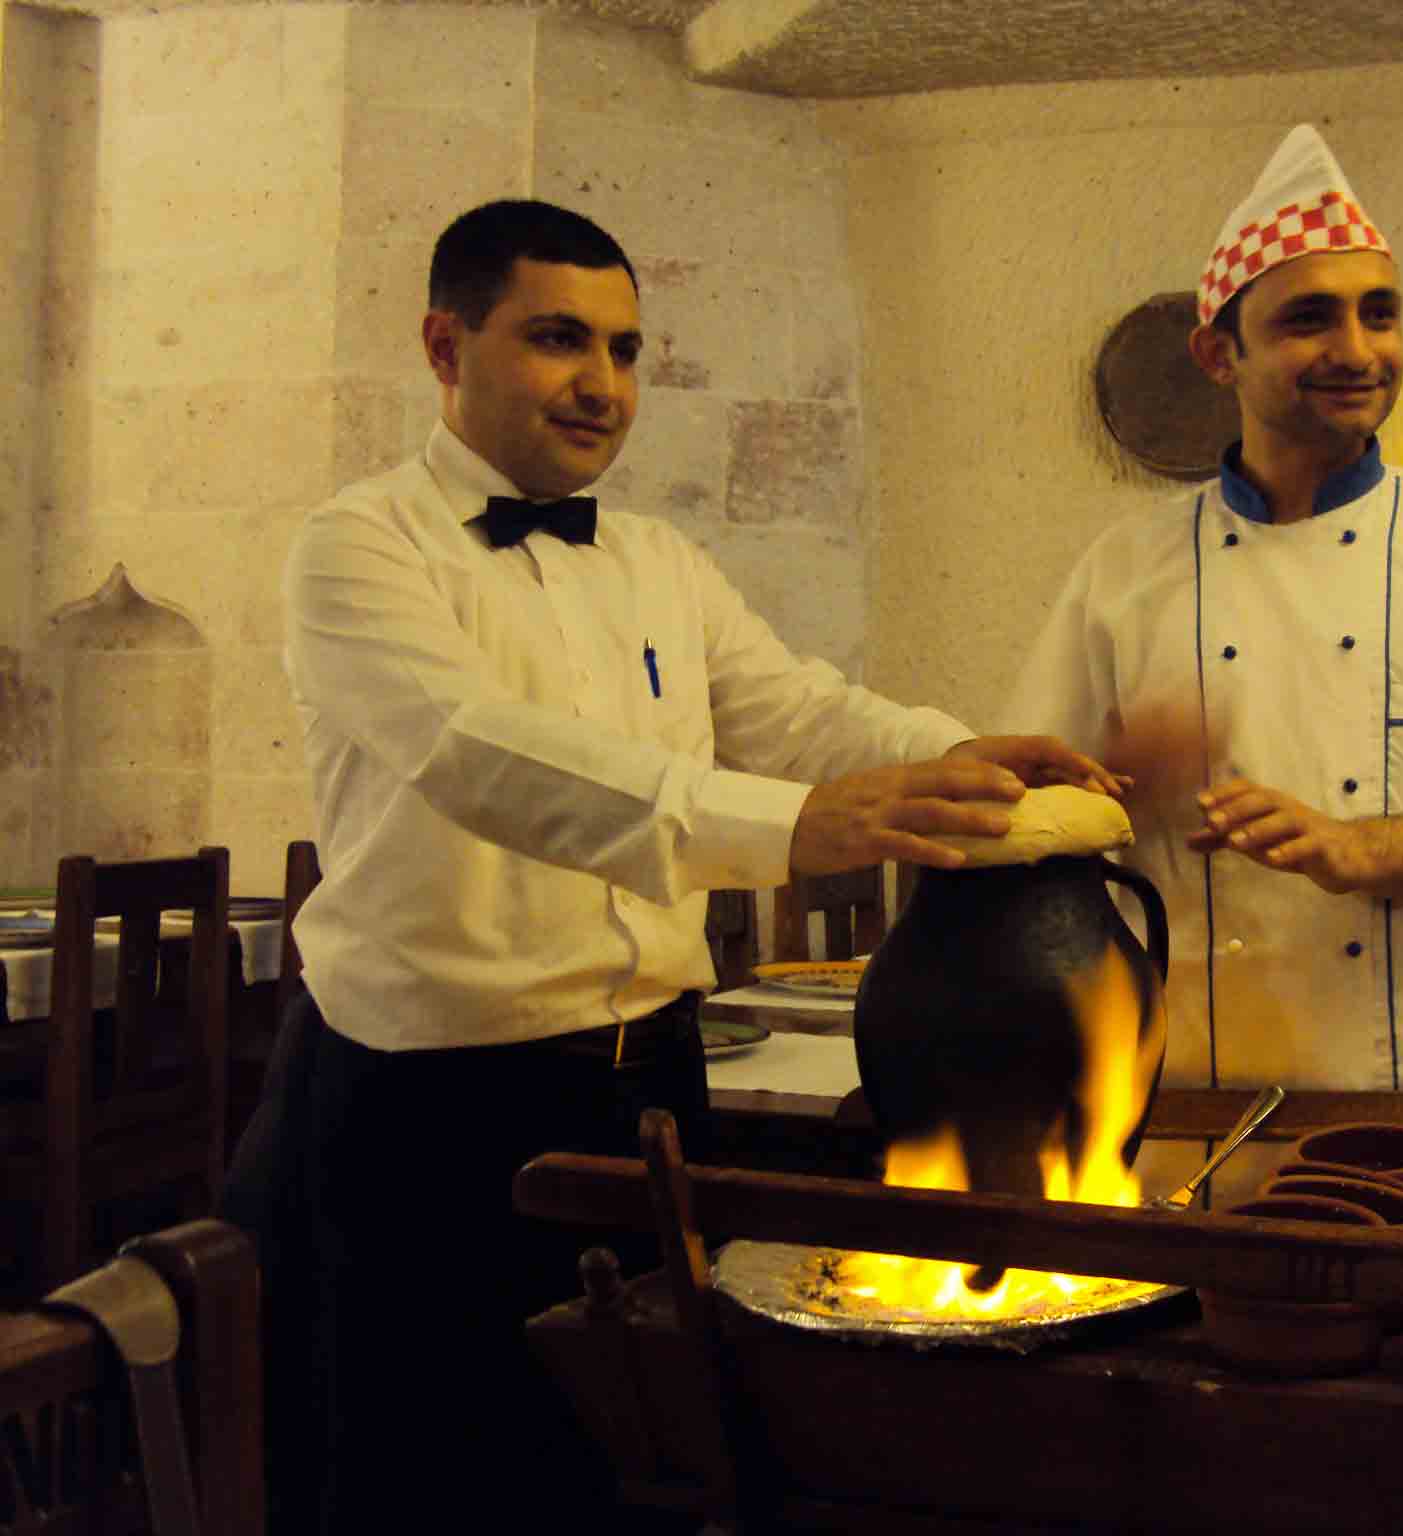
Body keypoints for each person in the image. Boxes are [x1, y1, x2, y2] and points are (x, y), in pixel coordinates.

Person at [223, 198, 1115, 1534]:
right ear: (442, 344)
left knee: (642, 1466)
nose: (604, 386)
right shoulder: (359, 547)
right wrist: (797, 830)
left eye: (628, 350)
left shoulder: (656, 557)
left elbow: (801, 708)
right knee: (431, 1478)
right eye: (559, 340)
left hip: (653, 1082)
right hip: (433, 1102)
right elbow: (485, 759)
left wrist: (963, 757)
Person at [1002, 125, 1403, 1195]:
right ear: (1218, 355)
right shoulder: (1123, 571)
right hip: (1199, 1117)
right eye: (1308, 319)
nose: (1358, 350)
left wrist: (1350, 847)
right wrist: (1100, 794)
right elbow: (1035, 820)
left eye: (1380, 312)